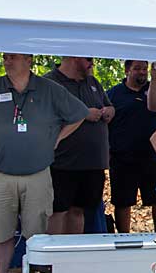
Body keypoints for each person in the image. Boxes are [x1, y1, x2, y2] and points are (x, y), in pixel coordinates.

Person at [0, 54, 87, 273]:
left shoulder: (49, 89)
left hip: (37, 173)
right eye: (5, 57)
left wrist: (57, 138)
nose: (7, 61)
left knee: (36, 233)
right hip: (0, 173)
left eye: (13, 57)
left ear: (29, 60)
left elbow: (79, 113)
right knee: (1, 232)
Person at [44, 57, 114, 235]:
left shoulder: (93, 82)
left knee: (79, 210)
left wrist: (109, 111)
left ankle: (73, 255)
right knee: (58, 211)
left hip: (92, 163)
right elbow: (44, 118)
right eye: (88, 59)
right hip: (62, 162)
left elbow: (109, 105)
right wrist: (83, 114)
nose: (92, 63)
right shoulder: (50, 83)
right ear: (74, 58)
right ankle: (55, 256)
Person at [107, 60, 156, 232]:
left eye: (144, 69)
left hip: (152, 157)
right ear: (126, 70)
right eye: (137, 68)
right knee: (122, 202)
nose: (142, 72)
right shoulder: (113, 94)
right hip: (122, 159)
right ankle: (124, 237)